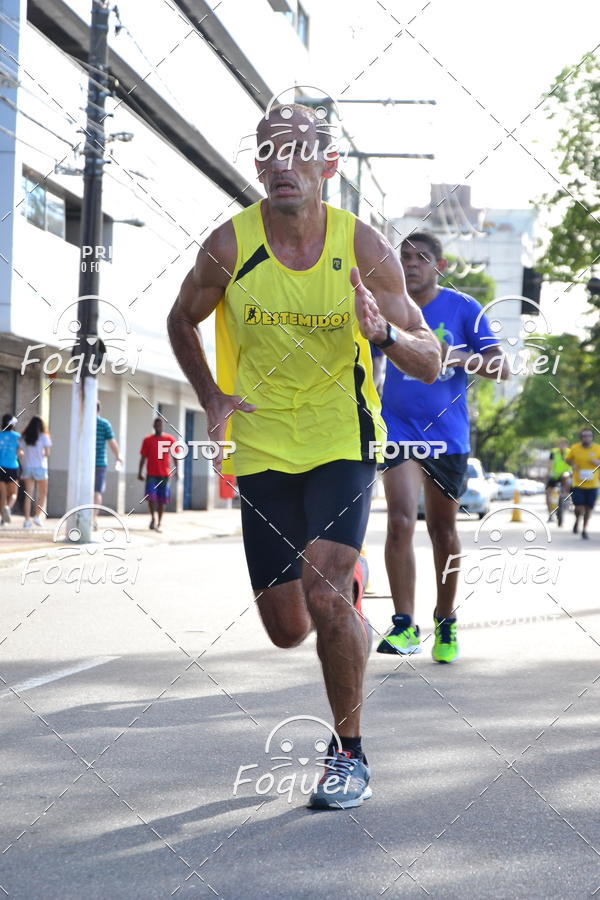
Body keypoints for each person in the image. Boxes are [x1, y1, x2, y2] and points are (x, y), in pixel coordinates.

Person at [167, 103, 441, 809]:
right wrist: (211, 394)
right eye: (269, 151)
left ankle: (349, 754)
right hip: (261, 446)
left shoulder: (366, 248)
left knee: (323, 591)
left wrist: (383, 338)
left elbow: (431, 360)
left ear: (327, 164)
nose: (281, 163)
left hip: (340, 438)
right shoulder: (230, 246)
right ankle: (343, 596)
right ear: (257, 165)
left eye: (297, 150)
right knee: (288, 627)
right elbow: (180, 319)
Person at [376, 231, 508, 663]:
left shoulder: (463, 307)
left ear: (440, 266)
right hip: (396, 428)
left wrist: (453, 356)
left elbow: (501, 367)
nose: (411, 264)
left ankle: (445, 619)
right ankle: (403, 625)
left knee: (442, 531)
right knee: (399, 521)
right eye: (405, 257)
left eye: (421, 258)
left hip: (445, 435)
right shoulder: (386, 304)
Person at [138, 417, 177, 532]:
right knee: (151, 498)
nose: (158, 427)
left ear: (163, 426)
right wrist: (140, 472)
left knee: (162, 499)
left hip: (165, 475)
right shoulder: (148, 440)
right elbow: (143, 457)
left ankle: (159, 521)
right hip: (151, 474)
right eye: (156, 425)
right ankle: (153, 519)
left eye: (160, 425)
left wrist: (177, 470)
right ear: (153, 426)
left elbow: (175, 456)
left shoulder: (170, 439)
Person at [566, 428, 600, 540]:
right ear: (581, 437)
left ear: (592, 437)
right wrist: (573, 465)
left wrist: (597, 462)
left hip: (593, 484)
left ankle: (584, 529)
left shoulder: (597, 448)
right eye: (584, 436)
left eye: (589, 436)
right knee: (579, 507)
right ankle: (577, 519)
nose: (587, 438)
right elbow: (568, 460)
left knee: (588, 509)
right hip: (578, 484)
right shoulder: (575, 448)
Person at [20, 416, 52, 528]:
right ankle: (37, 517)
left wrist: (24, 461)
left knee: (28, 494)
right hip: (40, 467)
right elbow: (47, 453)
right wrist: (40, 455)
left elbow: (20, 452)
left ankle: (26, 520)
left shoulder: (24, 437)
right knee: (42, 493)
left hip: (28, 467)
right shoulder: (44, 437)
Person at [94, 402, 122, 528]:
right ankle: (93, 518)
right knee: (97, 492)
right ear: (99, 410)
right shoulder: (104, 424)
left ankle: (86, 516)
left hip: (85, 464)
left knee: (87, 491)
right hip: (100, 463)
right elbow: (112, 443)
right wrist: (118, 456)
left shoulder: (83, 422)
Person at [0, 413, 22, 525]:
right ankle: (8, 508)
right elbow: (20, 453)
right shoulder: (18, 437)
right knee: (13, 494)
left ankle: (2, 519)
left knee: (2, 495)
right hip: (13, 467)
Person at [545, 438, 571, 522]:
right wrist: (549, 473)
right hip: (555, 476)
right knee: (548, 492)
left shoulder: (569, 452)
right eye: (561, 444)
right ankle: (550, 514)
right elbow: (550, 463)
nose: (562, 446)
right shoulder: (554, 452)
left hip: (565, 474)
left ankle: (566, 496)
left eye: (564, 444)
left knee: (566, 477)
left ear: (566, 445)